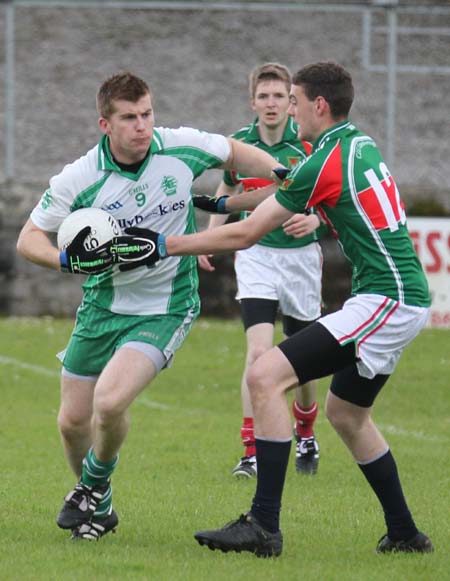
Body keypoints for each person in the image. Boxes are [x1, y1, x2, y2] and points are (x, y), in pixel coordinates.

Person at [111, 62, 434, 556]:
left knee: (265, 376)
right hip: (395, 297)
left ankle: (263, 525)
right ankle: (406, 534)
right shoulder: (354, 144)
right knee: (346, 413)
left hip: (387, 300)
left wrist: (161, 244)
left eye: (296, 100)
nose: (289, 108)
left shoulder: (325, 159)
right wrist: (214, 204)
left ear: (317, 105)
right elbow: (277, 196)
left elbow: (247, 233)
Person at [16, 71, 286, 541]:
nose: (142, 126)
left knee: (111, 400)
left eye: (147, 114)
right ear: (105, 124)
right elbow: (28, 238)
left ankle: (90, 487)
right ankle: (100, 507)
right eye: (129, 118)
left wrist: (279, 172)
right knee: (72, 421)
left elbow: (232, 150)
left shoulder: (178, 146)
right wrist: (66, 259)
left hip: (166, 305)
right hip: (102, 306)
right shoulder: (80, 178)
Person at [197, 62, 325, 478]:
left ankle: (305, 430)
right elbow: (228, 189)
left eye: (279, 96)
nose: (271, 104)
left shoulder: (309, 145)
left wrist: (316, 221)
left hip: (301, 259)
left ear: (291, 103)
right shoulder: (239, 145)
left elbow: (331, 198)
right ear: (252, 101)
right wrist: (209, 238)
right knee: (257, 351)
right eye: (263, 96)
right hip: (255, 253)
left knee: (303, 357)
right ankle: (251, 450)